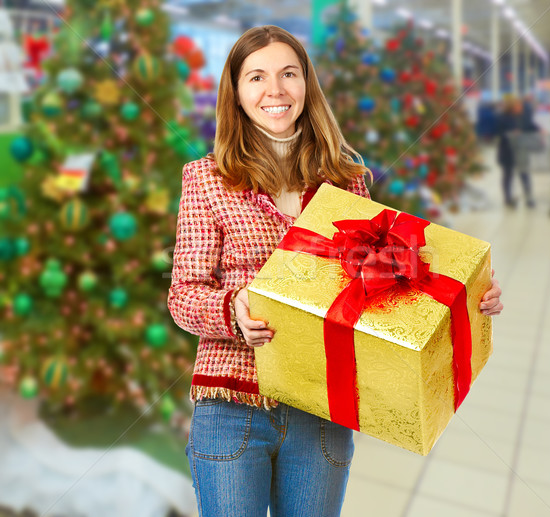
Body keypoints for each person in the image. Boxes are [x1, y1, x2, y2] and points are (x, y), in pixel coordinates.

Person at [168, 25, 504, 517]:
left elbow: (377, 281)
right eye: (256, 77)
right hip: (233, 406)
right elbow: (183, 295)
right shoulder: (206, 179)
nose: (275, 90)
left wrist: (463, 292)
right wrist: (231, 310)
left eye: (289, 73)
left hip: (321, 407)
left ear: (307, 83)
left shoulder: (345, 180)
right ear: (236, 94)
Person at [496, 97, 540, 208]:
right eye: (518, 106)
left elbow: (531, 126)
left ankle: (529, 198)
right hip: (508, 151)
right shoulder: (503, 118)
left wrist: (540, 130)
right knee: (508, 175)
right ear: (512, 107)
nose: (521, 108)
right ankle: (508, 198)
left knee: (524, 174)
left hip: (521, 150)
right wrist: (510, 134)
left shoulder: (524, 117)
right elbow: (499, 133)